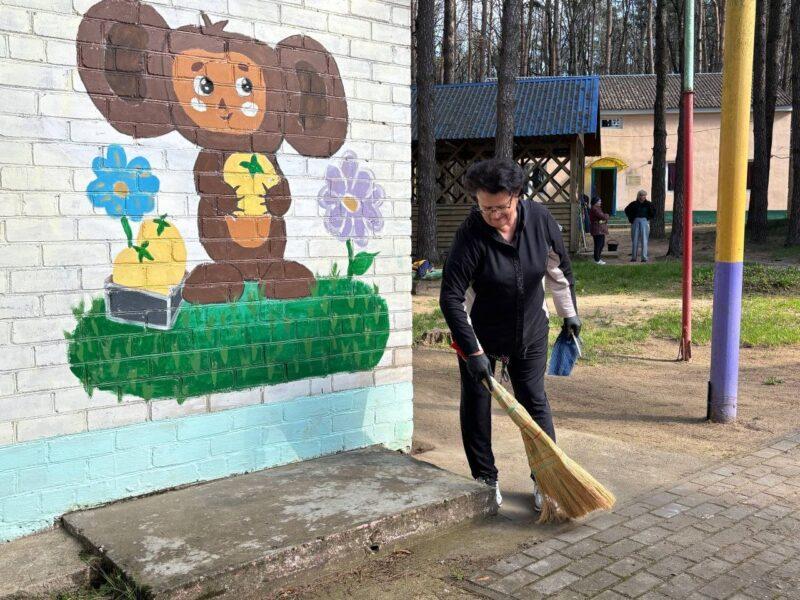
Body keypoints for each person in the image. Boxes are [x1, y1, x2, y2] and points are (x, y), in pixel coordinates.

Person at [439, 158, 581, 512]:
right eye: (485, 207)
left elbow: (557, 270)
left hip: (531, 331)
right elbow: (451, 297)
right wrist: (473, 353)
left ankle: (545, 481)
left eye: (500, 207)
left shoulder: (540, 219)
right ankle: (485, 479)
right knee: (477, 405)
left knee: (534, 402)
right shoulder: (471, 232)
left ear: (517, 196)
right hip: (480, 334)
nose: (493, 215)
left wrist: (570, 315)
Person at [624, 189, 655, 262]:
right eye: (641, 195)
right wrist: (631, 219)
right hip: (635, 221)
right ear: (638, 196)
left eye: (644, 195)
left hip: (644, 221)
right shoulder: (633, 204)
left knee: (644, 240)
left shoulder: (648, 204)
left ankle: (644, 257)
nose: (642, 197)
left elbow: (653, 212)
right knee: (635, 239)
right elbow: (626, 210)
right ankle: (634, 257)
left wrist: (648, 218)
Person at [589, 196, 610, 265]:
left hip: (600, 228)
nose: (600, 202)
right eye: (599, 201)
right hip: (597, 229)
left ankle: (598, 258)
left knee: (601, 244)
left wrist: (604, 218)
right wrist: (606, 215)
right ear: (595, 202)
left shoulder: (598, 208)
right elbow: (603, 217)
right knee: (598, 245)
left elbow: (603, 218)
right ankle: (597, 260)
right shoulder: (594, 209)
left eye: (600, 201)